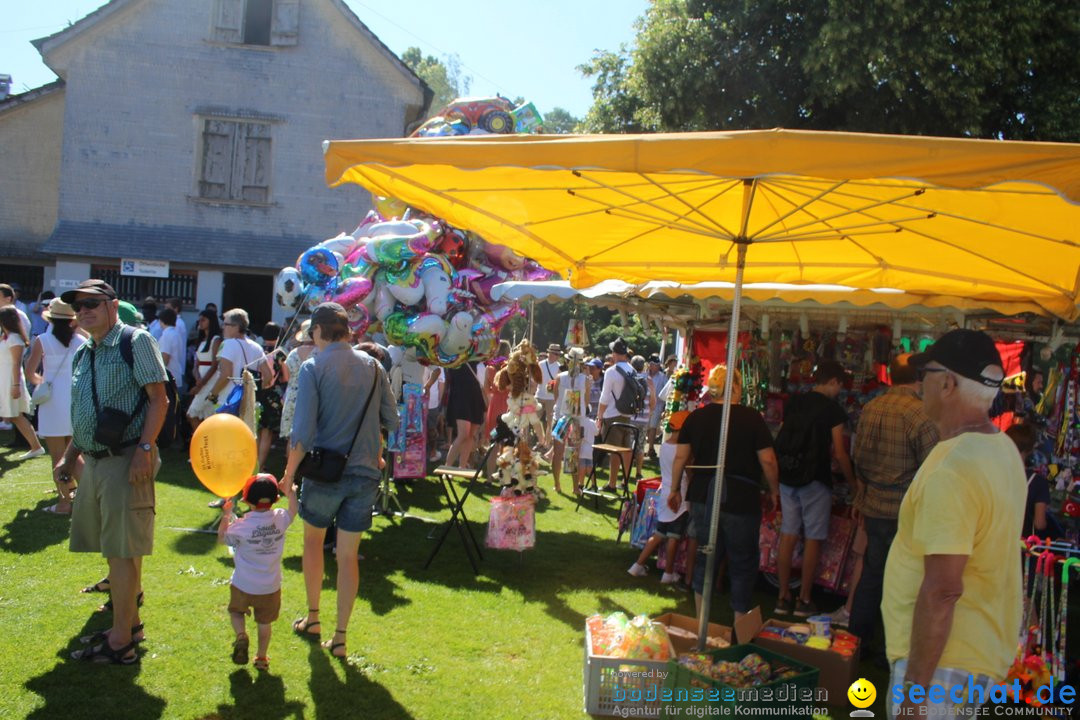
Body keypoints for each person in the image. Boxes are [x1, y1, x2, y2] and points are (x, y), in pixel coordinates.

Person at [883, 329, 1024, 717]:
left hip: (944, 664)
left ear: (946, 383)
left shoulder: (954, 468)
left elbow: (942, 591)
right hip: (972, 654)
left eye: (925, 373)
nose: (918, 384)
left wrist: (913, 695)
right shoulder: (1003, 448)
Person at [57, 279, 168, 665]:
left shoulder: (134, 341)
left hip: (126, 458)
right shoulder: (83, 351)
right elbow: (84, 410)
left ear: (112, 304)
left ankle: (121, 641)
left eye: (92, 303)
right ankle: (129, 625)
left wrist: (144, 448)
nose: (83, 310)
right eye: (78, 305)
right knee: (118, 551)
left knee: (122, 552)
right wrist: (69, 456)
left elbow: (159, 399)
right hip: (97, 461)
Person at [281, 303, 397, 659]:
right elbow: (392, 420)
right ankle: (341, 636)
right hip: (365, 473)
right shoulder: (376, 367)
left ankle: (314, 618)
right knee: (348, 557)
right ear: (347, 332)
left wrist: (287, 476)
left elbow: (302, 432)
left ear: (317, 332)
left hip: (324, 472)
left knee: (313, 544)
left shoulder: (313, 366)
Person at [846, 353, 939, 658]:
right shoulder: (920, 414)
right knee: (905, 582)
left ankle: (856, 639)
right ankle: (892, 648)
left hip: (875, 504)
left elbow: (857, 456)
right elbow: (932, 468)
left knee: (873, 574)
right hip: (905, 510)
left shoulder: (871, 407)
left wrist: (863, 494)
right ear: (919, 378)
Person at [670, 365, 779, 619]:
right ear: (736, 387)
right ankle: (740, 620)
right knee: (742, 560)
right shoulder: (752, 418)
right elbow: (769, 460)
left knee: (705, 557)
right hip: (741, 497)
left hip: (703, 496)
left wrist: (674, 489)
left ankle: (701, 623)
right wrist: (774, 490)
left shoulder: (696, 417)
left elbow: (680, 457)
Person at [775, 359, 855, 617]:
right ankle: (804, 598)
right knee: (812, 539)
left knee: (787, 535)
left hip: (788, 475)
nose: (839, 391)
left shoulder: (795, 401)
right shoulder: (833, 410)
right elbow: (840, 453)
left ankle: (782, 595)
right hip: (816, 479)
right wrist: (853, 483)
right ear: (833, 382)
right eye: (839, 386)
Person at [218, 473, 297, 672]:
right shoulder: (279, 518)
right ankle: (261, 657)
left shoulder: (241, 526)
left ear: (246, 500)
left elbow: (223, 538)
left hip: (243, 584)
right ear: (275, 500)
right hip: (270, 586)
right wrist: (292, 491)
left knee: (236, 612)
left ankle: (241, 635)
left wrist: (226, 515)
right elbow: (293, 511)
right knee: (264, 622)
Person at [23, 298, 88, 512]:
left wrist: (42, 383)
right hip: (75, 398)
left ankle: (64, 502)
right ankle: (86, 497)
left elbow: (30, 372)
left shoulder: (42, 340)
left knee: (57, 456)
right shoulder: (81, 340)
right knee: (75, 454)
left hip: (52, 400)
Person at [627, 411, 690, 584]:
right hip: (679, 494)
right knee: (673, 536)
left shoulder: (666, 446)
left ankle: (638, 565)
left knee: (659, 533)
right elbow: (688, 472)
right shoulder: (683, 448)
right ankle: (668, 573)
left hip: (665, 493)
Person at [203, 308, 271, 414]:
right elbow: (268, 375)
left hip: (228, 402)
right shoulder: (257, 346)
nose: (222, 327)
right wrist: (253, 392)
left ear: (236, 327)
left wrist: (212, 395)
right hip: (249, 404)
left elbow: (225, 375)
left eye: (226, 324)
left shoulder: (228, 344)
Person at [0, 306, 45, 459]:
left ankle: (36, 446)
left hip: (11, 380)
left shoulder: (14, 338)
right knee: (15, 415)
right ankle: (36, 446)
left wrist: (15, 385)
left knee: (16, 415)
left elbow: (15, 363)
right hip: (5, 379)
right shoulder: (6, 336)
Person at [1005, 423, 1060, 539]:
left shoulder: (994, 474)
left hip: (993, 543)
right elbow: (1039, 524)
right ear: (1030, 449)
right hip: (1022, 547)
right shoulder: (1038, 482)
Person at [594, 338, 636, 490]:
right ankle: (624, 481)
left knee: (614, 451)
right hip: (628, 414)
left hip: (612, 415)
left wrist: (599, 416)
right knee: (625, 450)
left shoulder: (612, 371)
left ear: (614, 353)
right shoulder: (632, 370)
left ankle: (612, 483)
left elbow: (604, 397)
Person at [551, 347, 592, 494]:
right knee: (573, 453)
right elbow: (586, 402)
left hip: (562, 417)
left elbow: (556, 398)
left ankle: (558, 485)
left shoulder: (559, 377)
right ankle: (574, 488)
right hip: (575, 419)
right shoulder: (585, 380)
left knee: (560, 452)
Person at [256, 322, 288, 471]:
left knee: (256, 430)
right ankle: (260, 465)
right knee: (267, 432)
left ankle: (253, 463)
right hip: (271, 393)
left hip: (255, 391)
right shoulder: (279, 353)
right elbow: (285, 377)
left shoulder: (257, 349)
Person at [443, 362, 486, 469]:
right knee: (463, 434)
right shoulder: (455, 358)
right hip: (461, 396)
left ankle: (462, 466)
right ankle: (447, 467)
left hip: (475, 397)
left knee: (471, 435)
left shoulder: (477, 359)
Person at [186, 309, 223, 431]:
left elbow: (214, 366)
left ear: (211, 322)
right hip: (201, 379)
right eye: (199, 320)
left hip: (210, 381)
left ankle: (203, 440)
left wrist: (201, 384)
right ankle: (205, 441)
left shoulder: (216, 340)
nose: (200, 323)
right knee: (201, 415)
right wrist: (197, 378)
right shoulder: (201, 341)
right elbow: (196, 364)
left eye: (203, 320)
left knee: (193, 413)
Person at [279, 320, 315, 441]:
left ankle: (290, 460)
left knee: (292, 438)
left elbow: (286, 377)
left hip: (292, 396)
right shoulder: (321, 353)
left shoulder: (293, 353)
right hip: (312, 396)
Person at [628, 355, 656, 481]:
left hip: (630, 418)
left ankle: (626, 473)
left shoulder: (629, 378)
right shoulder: (649, 380)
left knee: (628, 446)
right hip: (643, 419)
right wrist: (649, 412)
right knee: (640, 446)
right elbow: (653, 400)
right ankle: (638, 472)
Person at [536, 343, 562, 444]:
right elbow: (535, 379)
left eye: (557, 354)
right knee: (534, 420)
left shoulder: (559, 367)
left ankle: (547, 443)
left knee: (550, 423)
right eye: (553, 353)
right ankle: (540, 440)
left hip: (551, 398)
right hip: (539, 395)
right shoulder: (540, 364)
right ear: (549, 353)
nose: (555, 355)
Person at [156, 307, 186, 395]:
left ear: (161, 320)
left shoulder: (167, 335)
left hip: (169, 377)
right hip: (176, 374)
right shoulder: (176, 334)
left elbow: (165, 358)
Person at [645, 355, 667, 459]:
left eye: (658, 365)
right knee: (645, 427)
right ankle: (644, 448)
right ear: (650, 365)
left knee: (653, 427)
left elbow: (666, 391)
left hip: (657, 405)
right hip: (644, 405)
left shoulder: (662, 376)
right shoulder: (644, 375)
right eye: (654, 365)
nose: (657, 367)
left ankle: (650, 448)